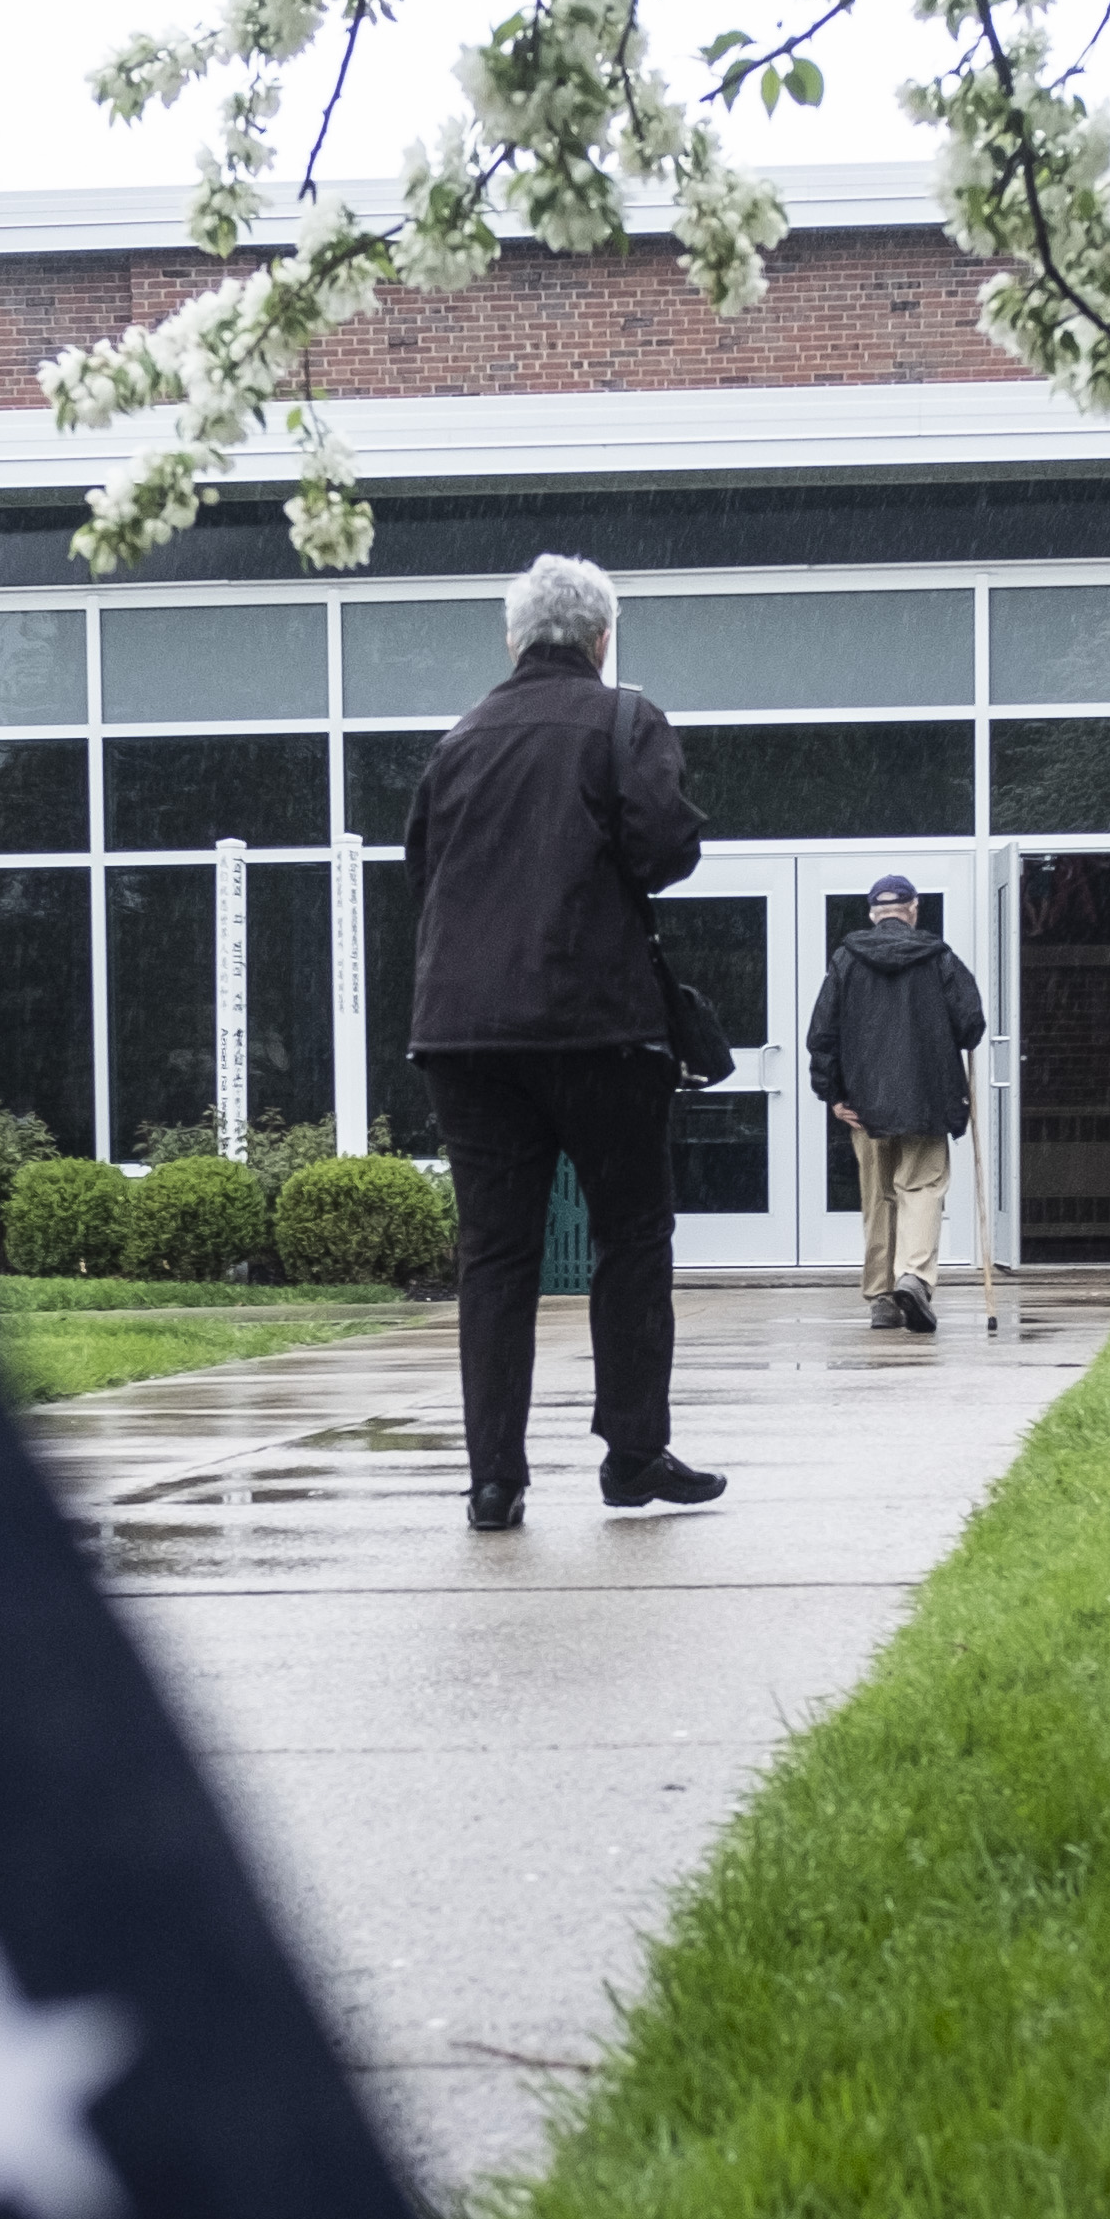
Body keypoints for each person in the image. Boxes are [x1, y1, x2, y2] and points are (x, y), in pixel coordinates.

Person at [401, 553, 726, 1531]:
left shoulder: (456, 742)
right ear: (600, 637)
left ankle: (493, 1478)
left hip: (464, 1033)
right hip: (596, 1025)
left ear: (513, 641)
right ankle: (632, 1453)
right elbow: (668, 847)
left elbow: (422, 869)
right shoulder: (625, 720)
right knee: (631, 1232)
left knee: (495, 1253)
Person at [802, 872, 988, 1337]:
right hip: (926, 1101)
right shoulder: (938, 957)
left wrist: (834, 1095)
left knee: (878, 1198)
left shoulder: (846, 959)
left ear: (872, 913)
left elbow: (822, 1034)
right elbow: (971, 1025)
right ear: (913, 909)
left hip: (865, 1106)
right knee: (921, 1188)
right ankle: (915, 1277)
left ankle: (883, 1299)